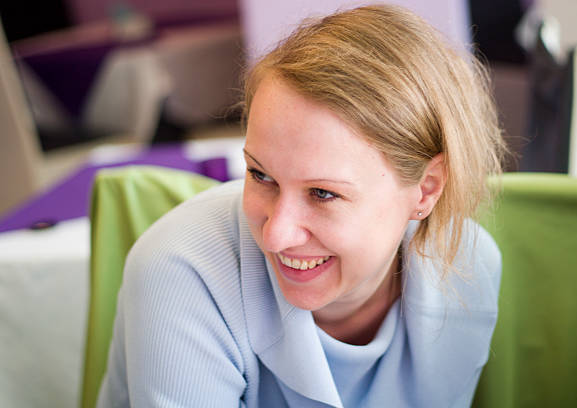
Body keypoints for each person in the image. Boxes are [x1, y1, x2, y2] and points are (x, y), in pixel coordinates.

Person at [98, 5, 507, 407]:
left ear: (426, 190)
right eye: (261, 176)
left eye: (323, 194)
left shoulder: (467, 270)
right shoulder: (181, 272)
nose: (276, 235)